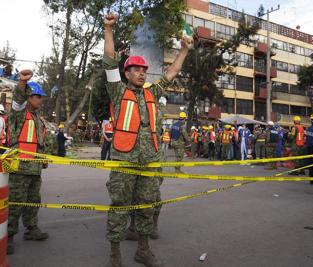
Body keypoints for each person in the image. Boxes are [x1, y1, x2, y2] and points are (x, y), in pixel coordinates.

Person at [102, 13, 191, 267]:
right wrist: (109, 30)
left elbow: (172, 72)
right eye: (136, 70)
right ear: (126, 73)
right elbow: (109, 60)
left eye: (144, 70)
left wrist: (184, 50)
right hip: (124, 159)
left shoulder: (153, 92)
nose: (141, 73)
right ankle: (115, 253)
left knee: (146, 205)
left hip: (150, 160)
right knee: (119, 204)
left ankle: (143, 249)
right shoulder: (117, 91)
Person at [6, 72, 50, 255]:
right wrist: (23, 83)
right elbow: (17, 100)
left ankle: (31, 229)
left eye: (41, 98)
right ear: (29, 97)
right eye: (38, 97)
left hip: (34, 168)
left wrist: (43, 157)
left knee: (33, 201)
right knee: (15, 202)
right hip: (20, 167)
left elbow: (39, 141)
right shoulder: (19, 114)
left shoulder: (38, 118)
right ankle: (8, 236)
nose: (41, 100)